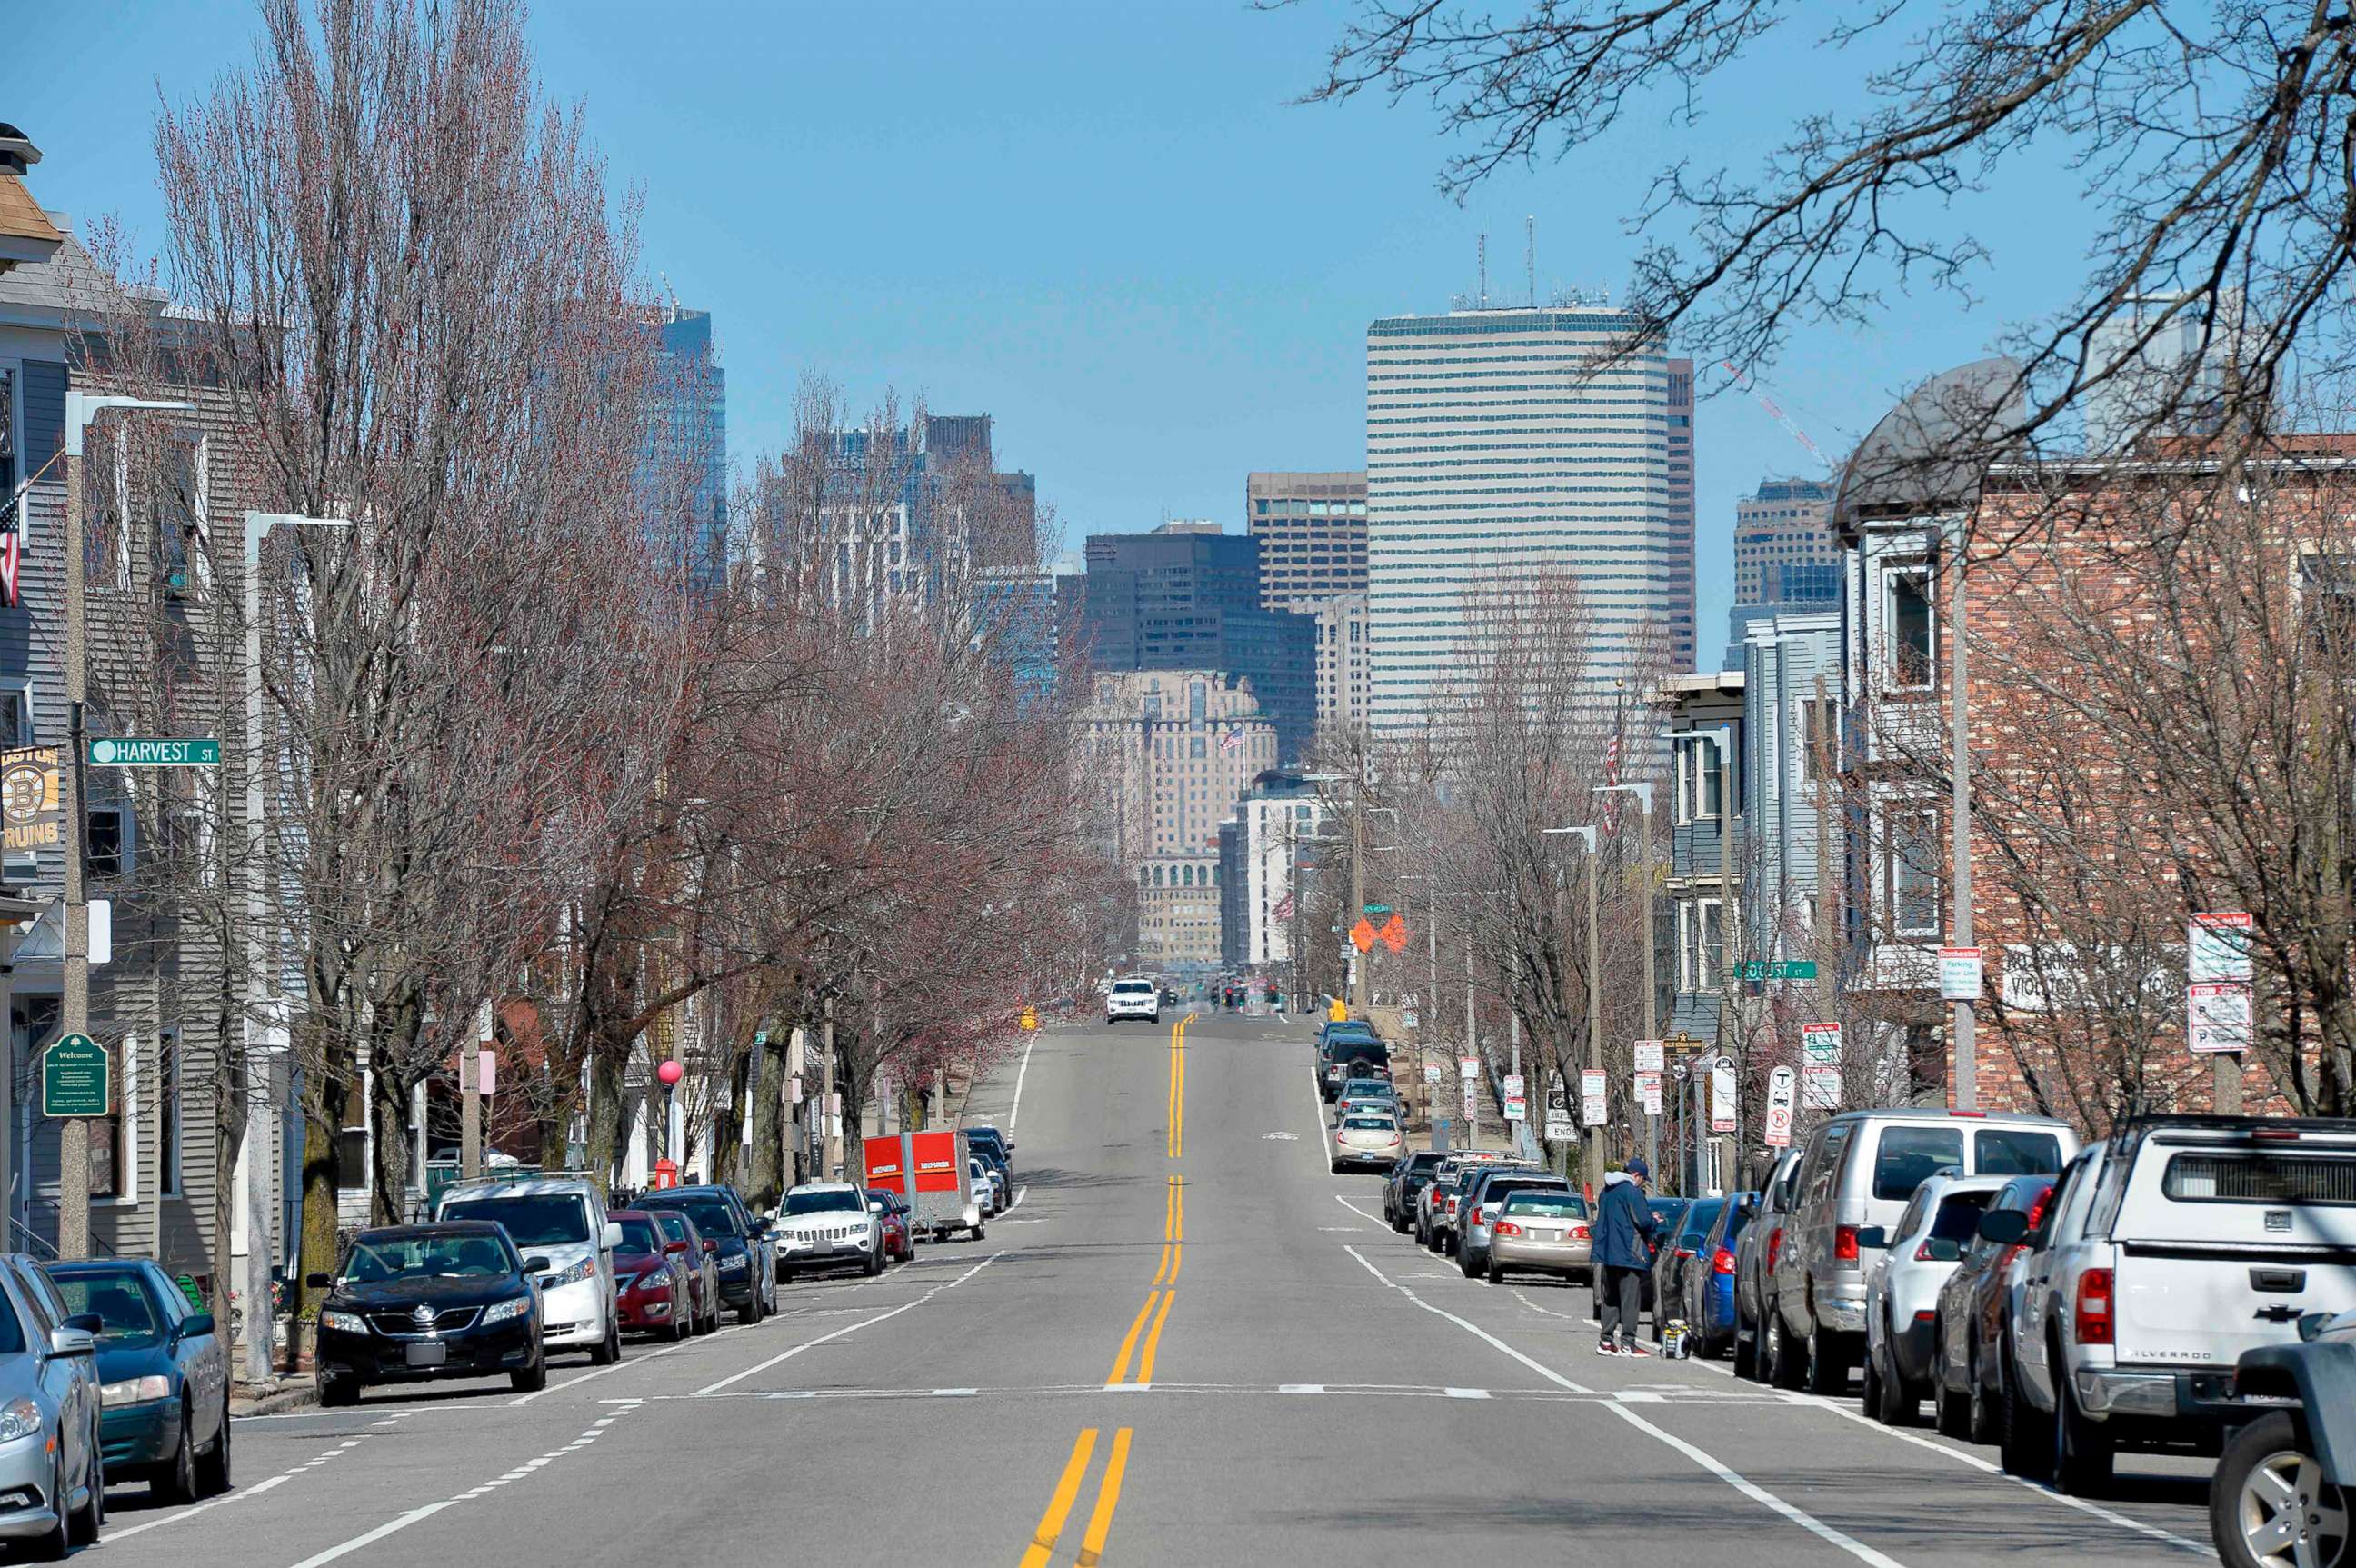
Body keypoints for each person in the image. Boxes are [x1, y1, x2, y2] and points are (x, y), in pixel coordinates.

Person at [1591, 1157, 1662, 1355]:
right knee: (1630, 1300)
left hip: (1607, 1252)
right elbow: (1643, 1222)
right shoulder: (1632, 1192)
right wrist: (1655, 1221)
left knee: (1610, 1298)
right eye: (1643, 1179)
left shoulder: (1606, 1192)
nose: (1642, 1183)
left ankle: (1606, 1341)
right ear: (1636, 1175)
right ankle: (1628, 1343)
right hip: (1629, 1253)